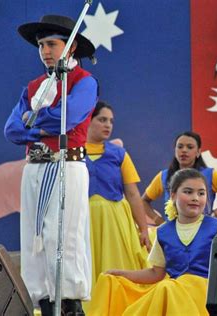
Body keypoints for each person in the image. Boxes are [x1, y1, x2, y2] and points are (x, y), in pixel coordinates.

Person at [4, 15, 98, 315]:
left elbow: (68, 118)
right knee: (34, 238)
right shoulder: (34, 87)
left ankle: (69, 303)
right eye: (41, 45)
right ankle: (43, 302)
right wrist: (40, 127)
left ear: (68, 48)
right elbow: (12, 129)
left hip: (65, 165)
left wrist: (34, 122)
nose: (45, 50)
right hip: (34, 167)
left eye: (52, 44)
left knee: (63, 235)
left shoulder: (84, 81)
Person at [87, 168, 217, 315]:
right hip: (174, 298)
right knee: (165, 289)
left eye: (201, 193)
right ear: (173, 195)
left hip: (205, 299)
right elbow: (156, 273)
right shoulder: (163, 232)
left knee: (166, 288)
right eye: (188, 192)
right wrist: (121, 274)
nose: (195, 198)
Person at [85, 101, 151, 289]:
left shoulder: (119, 154)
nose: (108, 125)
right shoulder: (72, 153)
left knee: (116, 263)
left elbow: (132, 194)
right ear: (87, 121)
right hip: (83, 220)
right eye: (102, 119)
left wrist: (144, 229)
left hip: (115, 222)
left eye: (111, 121)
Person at [142, 131, 217, 224]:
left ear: (198, 152)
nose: (184, 150)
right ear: (175, 150)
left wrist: (215, 213)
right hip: (174, 232)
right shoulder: (164, 176)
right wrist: (157, 220)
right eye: (180, 146)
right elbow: (143, 201)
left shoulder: (210, 174)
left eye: (190, 147)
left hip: (203, 230)